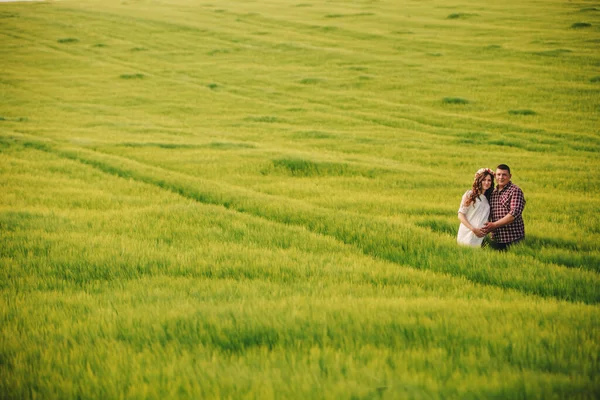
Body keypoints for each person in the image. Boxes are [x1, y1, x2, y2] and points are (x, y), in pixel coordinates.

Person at [482, 164, 526, 250]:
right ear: (495, 176)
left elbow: (514, 214)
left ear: (510, 176)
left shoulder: (515, 191)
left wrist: (494, 225)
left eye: (504, 174)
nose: (501, 177)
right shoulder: (492, 193)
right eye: (498, 174)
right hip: (496, 239)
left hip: (513, 239)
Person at [457, 168, 495, 247]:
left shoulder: (488, 198)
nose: (487, 182)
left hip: (479, 236)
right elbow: (460, 215)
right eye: (484, 180)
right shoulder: (470, 194)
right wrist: (473, 229)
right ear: (478, 180)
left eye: (489, 180)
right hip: (467, 232)